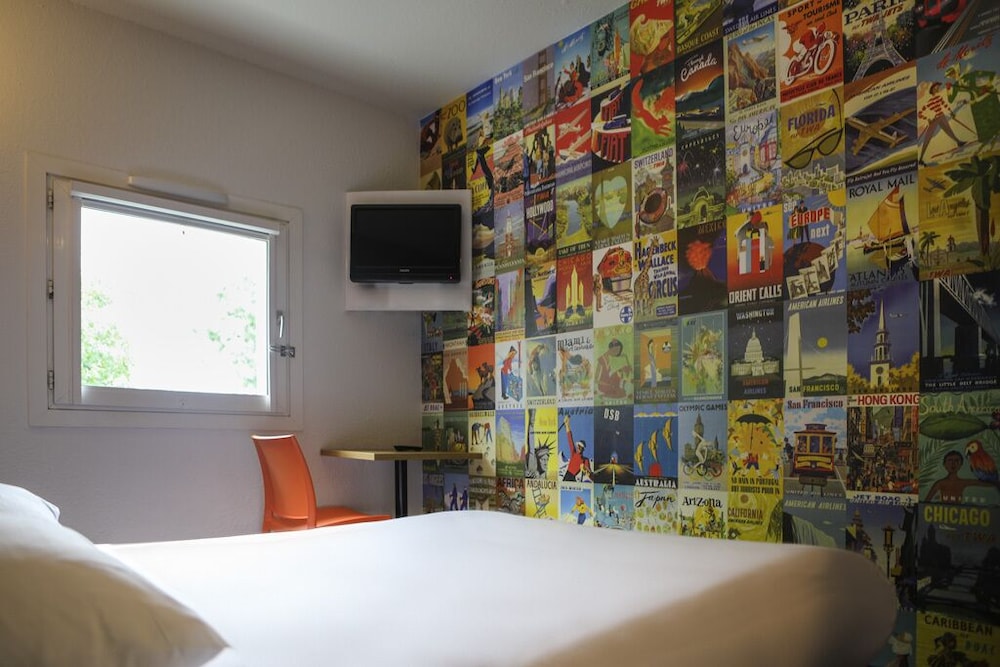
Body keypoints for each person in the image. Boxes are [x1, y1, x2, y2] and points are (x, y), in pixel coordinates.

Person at [918, 82, 968, 166]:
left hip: (941, 116)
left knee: (949, 130)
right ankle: (920, 159)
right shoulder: (929, 101)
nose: (938, 88)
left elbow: (945, 105)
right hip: (934, 119)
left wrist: (951, 112)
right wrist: (928, 119)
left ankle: (958, 142)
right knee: (927, 138)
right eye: (936, 87)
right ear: (933, 89)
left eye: (938, 87)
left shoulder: (939, 97)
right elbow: (919, 114)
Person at [925, 449, 995, 504]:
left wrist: (995, 483)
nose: (953, 464)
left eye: (956, 460)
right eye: (950, 460)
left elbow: (981, 483)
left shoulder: (962, 482)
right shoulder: (940, 483)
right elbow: (926, 502)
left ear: (961, 464)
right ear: (945, 464)